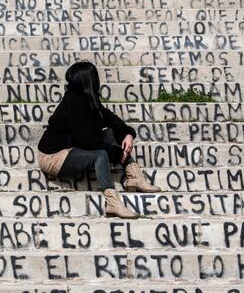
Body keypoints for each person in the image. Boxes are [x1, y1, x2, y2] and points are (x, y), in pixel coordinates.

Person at [37, 61, 160, 218]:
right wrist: (117, 154)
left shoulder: (87, 97)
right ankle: (112, 203)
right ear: (88, 80)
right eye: (95, 77)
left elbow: (109, 118)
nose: (97, 80)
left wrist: (127, 134)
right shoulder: (72, 104)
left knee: (111, 132)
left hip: (72, 147)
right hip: (53, 156)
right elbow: (88, 142)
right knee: (100, 154)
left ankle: (134, 177)